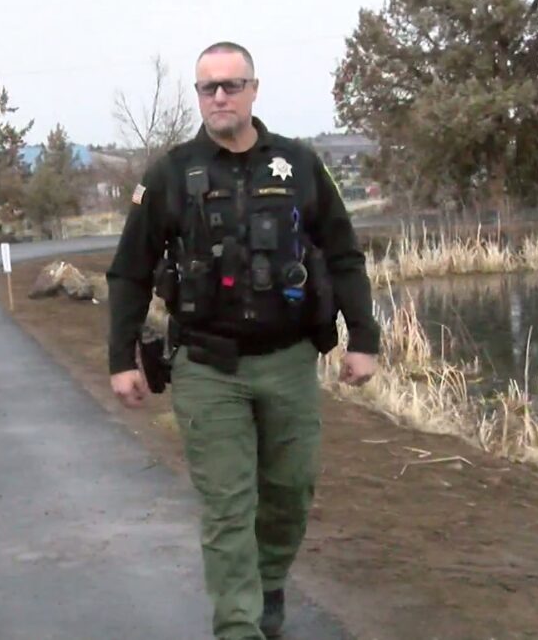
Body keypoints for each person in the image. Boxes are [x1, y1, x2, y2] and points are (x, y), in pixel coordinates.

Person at [106, 41, 381, 640]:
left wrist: (363, 337)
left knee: (288, 493)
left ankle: (269, 579)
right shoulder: (171, 173)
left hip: (289, 363)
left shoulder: (300, 165)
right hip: (207, 368)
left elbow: (343, 252)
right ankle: (238, 623)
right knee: (229, 506)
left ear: (255, 90)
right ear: (198, 96)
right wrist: (121, 358)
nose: (220, 96)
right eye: (209, 88)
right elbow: (129, 270)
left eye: (232, 85)